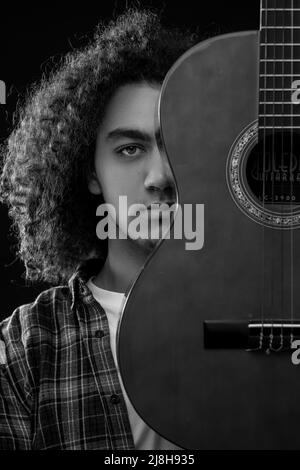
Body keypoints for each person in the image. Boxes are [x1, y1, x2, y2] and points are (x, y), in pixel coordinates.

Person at [0, 8, 197, 449]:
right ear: (91, 173)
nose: (159, 176)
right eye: (130, 149)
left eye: (177, 142)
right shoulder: (23, 350)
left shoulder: (269, 313)